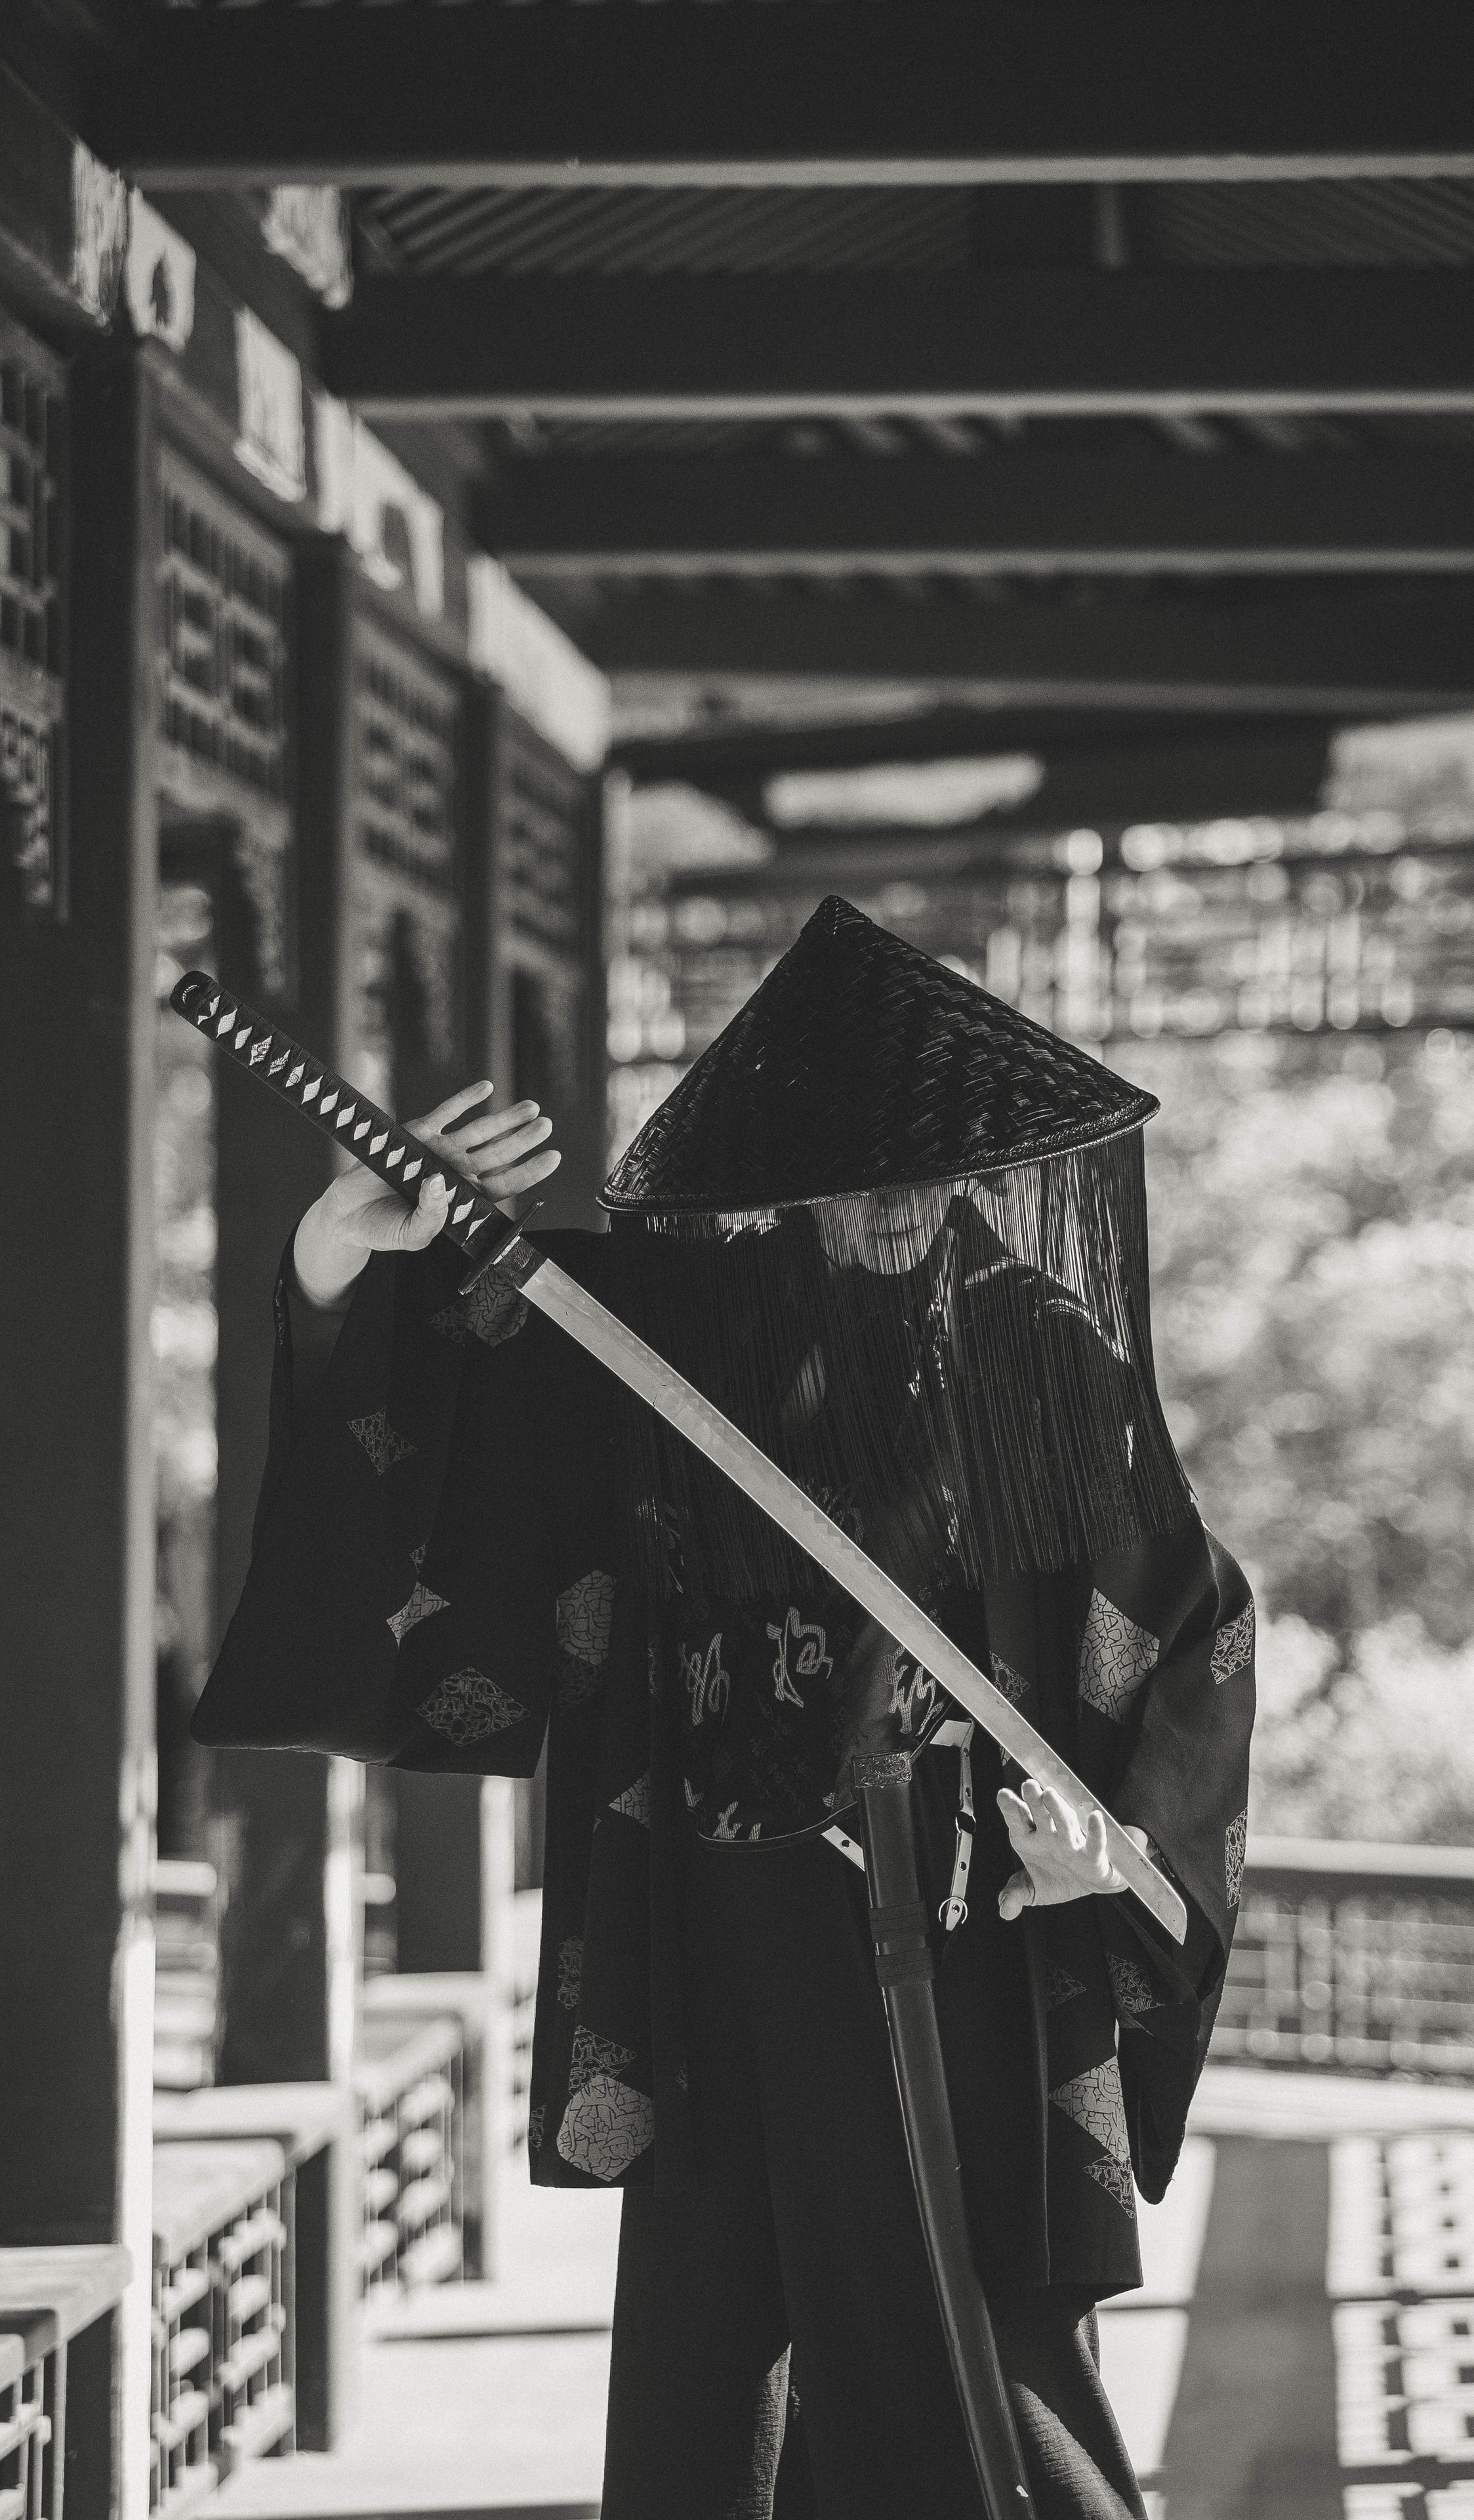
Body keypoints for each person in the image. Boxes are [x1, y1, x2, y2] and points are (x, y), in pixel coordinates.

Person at [196, 896, 1255, 2520]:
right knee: (718, 2342)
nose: (902, 1203)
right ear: (786, 1170)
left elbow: (1185, 1623)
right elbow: (454, 1421)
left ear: (981, 1166)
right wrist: (344, 1261)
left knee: (956, 2326)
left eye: (931, 1167)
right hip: (712, 1899)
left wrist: (1104, 1849)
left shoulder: (1041, 1355)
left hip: (973, 1907)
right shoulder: (659, 1330)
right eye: (859, 1170)